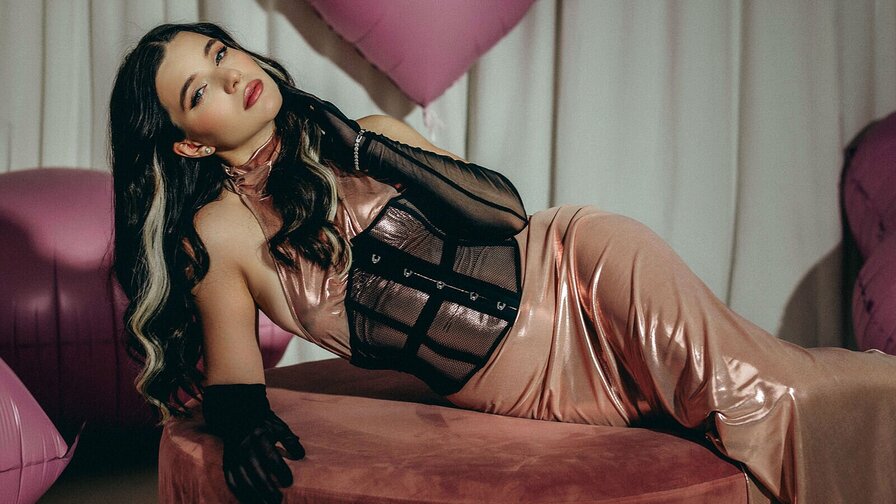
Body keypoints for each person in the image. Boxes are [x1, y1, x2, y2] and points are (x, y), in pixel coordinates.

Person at [108, 22, 896, 504]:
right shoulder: (220, 234)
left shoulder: (367, 132)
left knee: (761, 395)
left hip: (582, 267)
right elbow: (237, 373)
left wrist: (371, 150)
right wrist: (240, 422)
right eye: (199, 91)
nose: (231, 74)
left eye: (221, 52)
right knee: (753, 391)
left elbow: (505, 215)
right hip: (533, 388)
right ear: (189, 143)